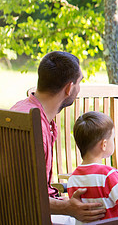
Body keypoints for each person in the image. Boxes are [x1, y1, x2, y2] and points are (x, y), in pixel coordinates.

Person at [11, 51, 106, 223]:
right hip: (37, 216)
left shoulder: (19, 110)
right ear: (69, 88)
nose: (79, 89)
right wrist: (67, 207)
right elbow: (24, 192)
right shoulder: (33, 125)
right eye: (79, 82)